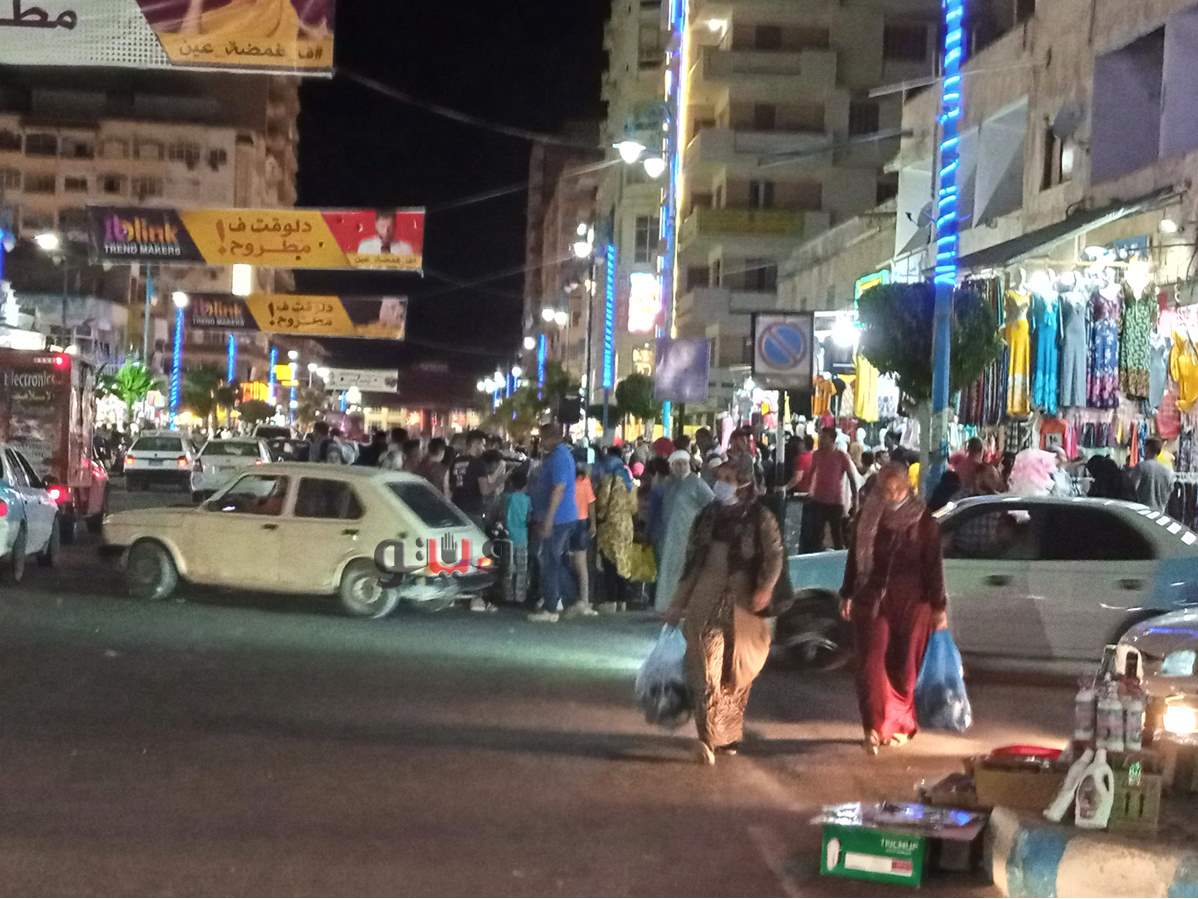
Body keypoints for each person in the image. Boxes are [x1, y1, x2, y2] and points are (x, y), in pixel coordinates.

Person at [663, 457, 783, 765]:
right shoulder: (707, 517)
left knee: (736, 674)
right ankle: (707, 736)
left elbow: (774, 555)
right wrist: (678, 602)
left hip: (744, 606)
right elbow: (692, 563)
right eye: (720, 478)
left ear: (744, 483)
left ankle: (727, 735)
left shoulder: (760, 517)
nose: (722, 484)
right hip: (707, 601)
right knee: (706, 670)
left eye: (729, 479)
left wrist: (765, 587)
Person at [839, 464, 947, 755]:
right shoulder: (867, 516)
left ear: (908, 487)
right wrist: (847, 592)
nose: (893, 495)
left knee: (905, 670)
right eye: (887, 490)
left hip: (913, 603)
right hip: (872, 599)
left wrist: (939, 606)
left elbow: (933, 567)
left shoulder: (923, 522)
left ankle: (899, 725)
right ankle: (873, 728)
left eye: (898, 489)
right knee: (870, 664)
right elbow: (854, 558)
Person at [527, 423, 579, 623]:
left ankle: (551, 608)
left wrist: (548, 519)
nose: (541, 442)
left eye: (542, 438)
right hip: (561, 517)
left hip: (558, 518)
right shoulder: (558, 456)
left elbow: (559, 489)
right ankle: (571, 600)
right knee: (556, 560)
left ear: (551, 438)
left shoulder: (559, 458)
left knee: (550, 561)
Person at [654, 450, 714, 613]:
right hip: (671, 536)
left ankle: (685, 605)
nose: (680, 467)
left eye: (683, 463)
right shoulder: (671, 484)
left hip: (689, 534)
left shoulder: (696, 483)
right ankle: (669, 605)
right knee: (671, 569)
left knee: (687, 570)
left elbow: (712, 504)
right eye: (677, 464)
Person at [799, 427, 859, 553]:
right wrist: (810, 491)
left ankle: (839, 559)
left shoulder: (841, 456)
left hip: (835, 501)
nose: (821, 440)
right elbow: (812, 474)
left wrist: (855, 499)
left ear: (832, 439)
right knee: (816, 535)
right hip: (818, 500)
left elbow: (852, 479)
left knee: (837, 534)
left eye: (824, 437)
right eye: (821, 437)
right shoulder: (817, 455)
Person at [594, 446, 637, 611]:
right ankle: (622, 600)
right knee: (623, 562)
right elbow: (634, 507)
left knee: (610, 563)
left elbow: (602, 502)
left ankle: (611, 600)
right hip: (627, 526)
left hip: (610, 526)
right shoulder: (629, 480)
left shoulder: (609, 479)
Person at [566, 462, 599, 618]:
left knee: (569, 562)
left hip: (569, 521)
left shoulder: (567, 479)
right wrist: (593, 524)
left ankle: (574, 599)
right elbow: (591, 503)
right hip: (581, 522)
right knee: (581, 564)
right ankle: (584, 600)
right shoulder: (585, 480)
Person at [501, 469, 531, 606]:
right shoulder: (528, 500)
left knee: (508, 568)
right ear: (526, 485)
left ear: (511, 483)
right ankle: (520, 597)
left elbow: (502, 515)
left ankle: (508, 596)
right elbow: (529, 518)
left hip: (508, 537)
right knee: (521, 569)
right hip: (522, 537)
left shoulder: (507, 498)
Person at [451, 430, 490, 522]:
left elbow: (450, 485)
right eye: (483, 445)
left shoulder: (456, 461)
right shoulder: (479, 464)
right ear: (475, 444)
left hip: (455, 510)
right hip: (473, 512)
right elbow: (484, 490)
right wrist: (501, 479)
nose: (484, 449)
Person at [1132, 437, 1172, 511]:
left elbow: (1132, 489)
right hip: (1159, 513)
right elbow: (1169, 494)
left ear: (1147, 449)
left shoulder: (1141, 467)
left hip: (1141, 511)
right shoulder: (1168, 472)